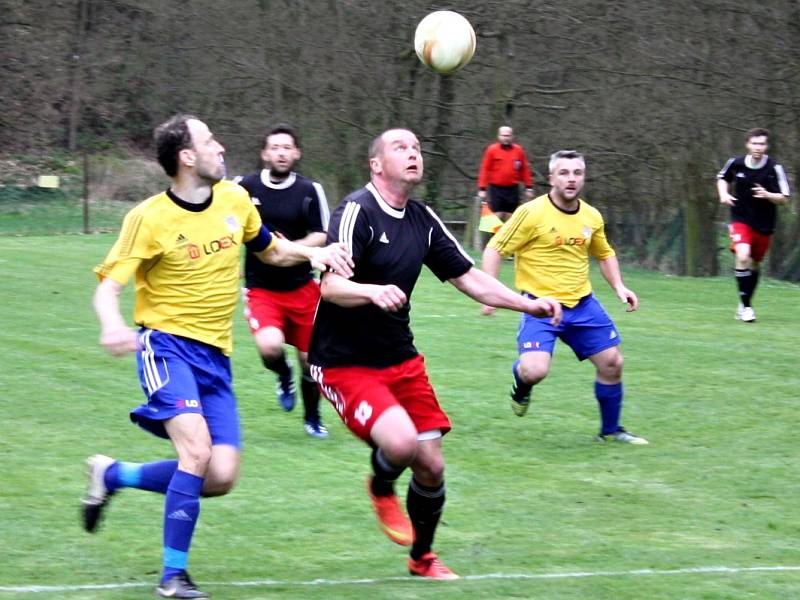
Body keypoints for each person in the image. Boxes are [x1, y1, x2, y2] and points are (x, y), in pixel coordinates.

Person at [82, 114, 353, 599]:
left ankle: (113, 473)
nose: (221, 146)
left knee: (220, 475)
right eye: (209, 141)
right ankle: (173, 576)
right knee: (197, 452)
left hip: (215, 357)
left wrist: (312, 255)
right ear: (187, 157)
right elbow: (109, 287)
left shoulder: (233, 199)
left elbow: (269, 250)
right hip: (165, 348)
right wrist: (112, 324)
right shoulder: (148, 218)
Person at [308, 128, 562, 580]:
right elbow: (330, 288)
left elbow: (468, 277)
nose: (412, 154)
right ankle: (381, 482)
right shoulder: (356, 212)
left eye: (417, 149)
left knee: (431, 464)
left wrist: (528, 303)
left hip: (399, 358)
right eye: (400, 148)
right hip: (344, 361)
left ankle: (421, 559)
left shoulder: (422, 220)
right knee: (402, 444)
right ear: (376, 163)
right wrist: (371, 291)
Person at [482, 150, 648, 445]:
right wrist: (489, 293)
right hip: (540, 307)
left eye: (577, 173)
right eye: (564, 173)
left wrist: (620, 287)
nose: (571, 179)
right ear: (551, 178)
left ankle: (610, 432)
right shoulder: (531, 213)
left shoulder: (591, 216)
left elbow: (604, 253)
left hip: (582, 304)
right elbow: (495, 249)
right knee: (535, 371)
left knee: (612, 363)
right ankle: (521, 384)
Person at [235, 124, 331, 438]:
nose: (281, 152)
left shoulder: (309, 190)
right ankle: (282, 374)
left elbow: (322, 235)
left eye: (287, 147)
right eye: (275, 147)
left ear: (297, 153)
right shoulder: (243, 188)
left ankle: (313, 418)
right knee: (269, 346)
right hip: (261, 288)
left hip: (303, 287)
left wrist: (288, 252)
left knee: (310, 360)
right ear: (265, 153)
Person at [717, 128, 790, 322]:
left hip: (764, 224)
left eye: (762, 144)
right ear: (748, 144)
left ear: (767, 146)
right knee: (743, 255)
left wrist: (767, 195)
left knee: (755, 264)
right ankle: (748, 307)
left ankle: (744, 302)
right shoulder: (736, 163)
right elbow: (722, 178)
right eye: (755, 143)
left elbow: (784, 197)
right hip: (740, 219)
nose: (758, 147)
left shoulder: (774, 168)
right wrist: (724, 194)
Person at [477, 125, 535, 222]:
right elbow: (485, 169)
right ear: (498, 136)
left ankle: (509, 236)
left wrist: (529, 187)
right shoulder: (492, 150)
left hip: (512, 188)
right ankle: (496, 236)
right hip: (496, 188)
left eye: (508, 136)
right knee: (497, 215)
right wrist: (482, 188)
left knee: (511, 216)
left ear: (512, 137)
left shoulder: (518, 150)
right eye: (503, 136)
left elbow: (525, 169)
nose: (506, 138)